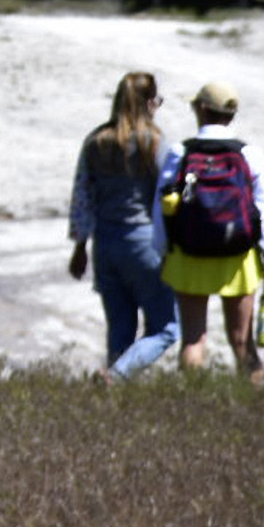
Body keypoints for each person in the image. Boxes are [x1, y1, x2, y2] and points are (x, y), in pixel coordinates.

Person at [68, 71, 181, 382]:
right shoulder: (155, 142)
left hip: (105, 244)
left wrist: (80, 248)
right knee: (166, 328)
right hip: (146, 244)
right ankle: (117, 376)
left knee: (120, 327)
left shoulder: (96, 141)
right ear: (149, 103)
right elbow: (169, 196)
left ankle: (112, 394)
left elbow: (82, 198)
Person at [159, 80, 264, 382]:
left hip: (189, 252)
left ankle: (192, 410)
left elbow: (162, 206)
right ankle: (256, 406)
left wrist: (163, 250)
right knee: (242, 341)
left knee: (193, 340)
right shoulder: (249, 154)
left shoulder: (181, 152)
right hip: (238, 256)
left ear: (202, 109)